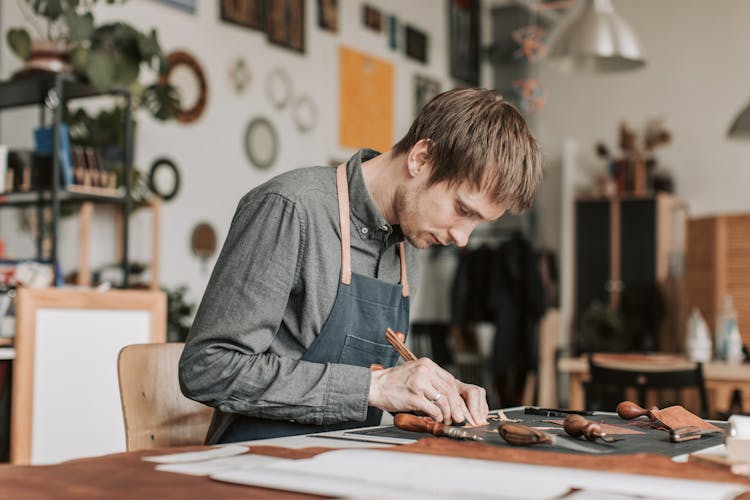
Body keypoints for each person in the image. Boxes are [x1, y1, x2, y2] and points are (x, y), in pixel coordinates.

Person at [179, 88, 543, 444]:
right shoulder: (291, 208)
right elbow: (207, 368)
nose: (463, 237)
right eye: (463, 210)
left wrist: (431, 395)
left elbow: (376, 391)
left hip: (349, 459)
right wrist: (375, 386)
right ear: (421, 158)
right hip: (256, 462)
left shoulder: (409, 243)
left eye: (478, 222)